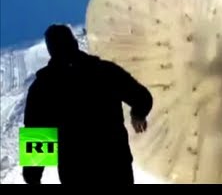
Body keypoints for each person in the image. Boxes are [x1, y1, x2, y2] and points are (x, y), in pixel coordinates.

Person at [22, 24, 153, 184]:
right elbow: (142, 97)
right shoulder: (105, 71)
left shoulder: (43, 87)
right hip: (114, 166)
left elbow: (37, 135)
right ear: (75, 43)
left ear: (51, 51)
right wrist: (138, 114)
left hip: (76, 172)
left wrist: (33, 177)